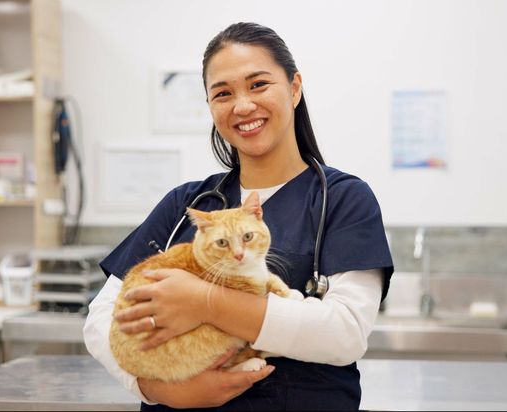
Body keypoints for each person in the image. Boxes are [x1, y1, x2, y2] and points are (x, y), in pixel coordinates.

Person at [83, 22, 393, 411]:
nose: (242, 105)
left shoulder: (344, 200)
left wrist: (205, 302)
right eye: (223, 93)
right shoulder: (186, 205)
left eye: (258, 84)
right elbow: (101, 318)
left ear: (295, 88)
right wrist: (155, 389)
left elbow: (346, 332)